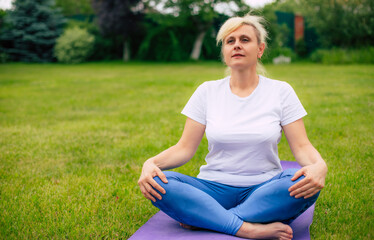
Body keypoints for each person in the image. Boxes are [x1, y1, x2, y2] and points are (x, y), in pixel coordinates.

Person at [138, 13, 327, 240]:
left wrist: (319, 166)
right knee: (158, 182)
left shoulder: (281, 91)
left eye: (245, 39)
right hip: (212, 189)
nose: (237, 45)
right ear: (224, 53)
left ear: (260, 49)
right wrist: (151, 163)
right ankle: (247, 228)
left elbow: (302, 146)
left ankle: (206, 219)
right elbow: (184, 149)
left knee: (303, 183)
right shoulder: (207, 92)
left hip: (264, 189)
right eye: (230, 41)